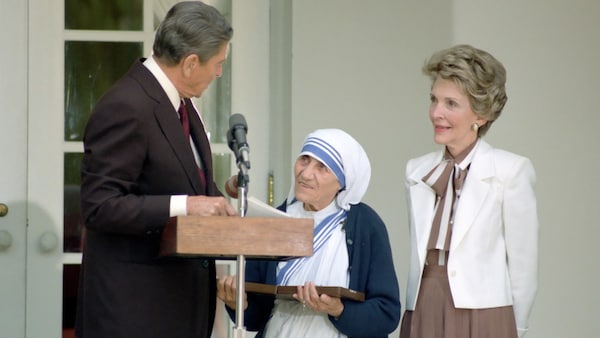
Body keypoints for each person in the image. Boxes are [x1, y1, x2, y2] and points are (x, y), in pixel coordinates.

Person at [75, 2, 236, 338]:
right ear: (191, 63)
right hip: (134, 313)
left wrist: (217, 196)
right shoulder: (126, 105)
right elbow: (100, 205)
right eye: (218, 63)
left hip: (179, 308)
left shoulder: (181, 103)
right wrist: (187, 205)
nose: (219, 73)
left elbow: (180, 180)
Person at [399, 44, 539, 338]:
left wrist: (516, 328)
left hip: (485, 312)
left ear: (482, 114)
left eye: (451, 103)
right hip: (423, 303)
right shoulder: (416, 171)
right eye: (434, 100)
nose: (437, 112)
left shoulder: (511, 171)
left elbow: (523, 265)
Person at [217, 128, 401, 338]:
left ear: (342, 181)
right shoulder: (274, 220)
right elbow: (256, 318)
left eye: (322, 167)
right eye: (304, 159)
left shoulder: (366, 225)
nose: (305, 174)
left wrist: (338, 310)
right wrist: (236, 302)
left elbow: (387, 314)